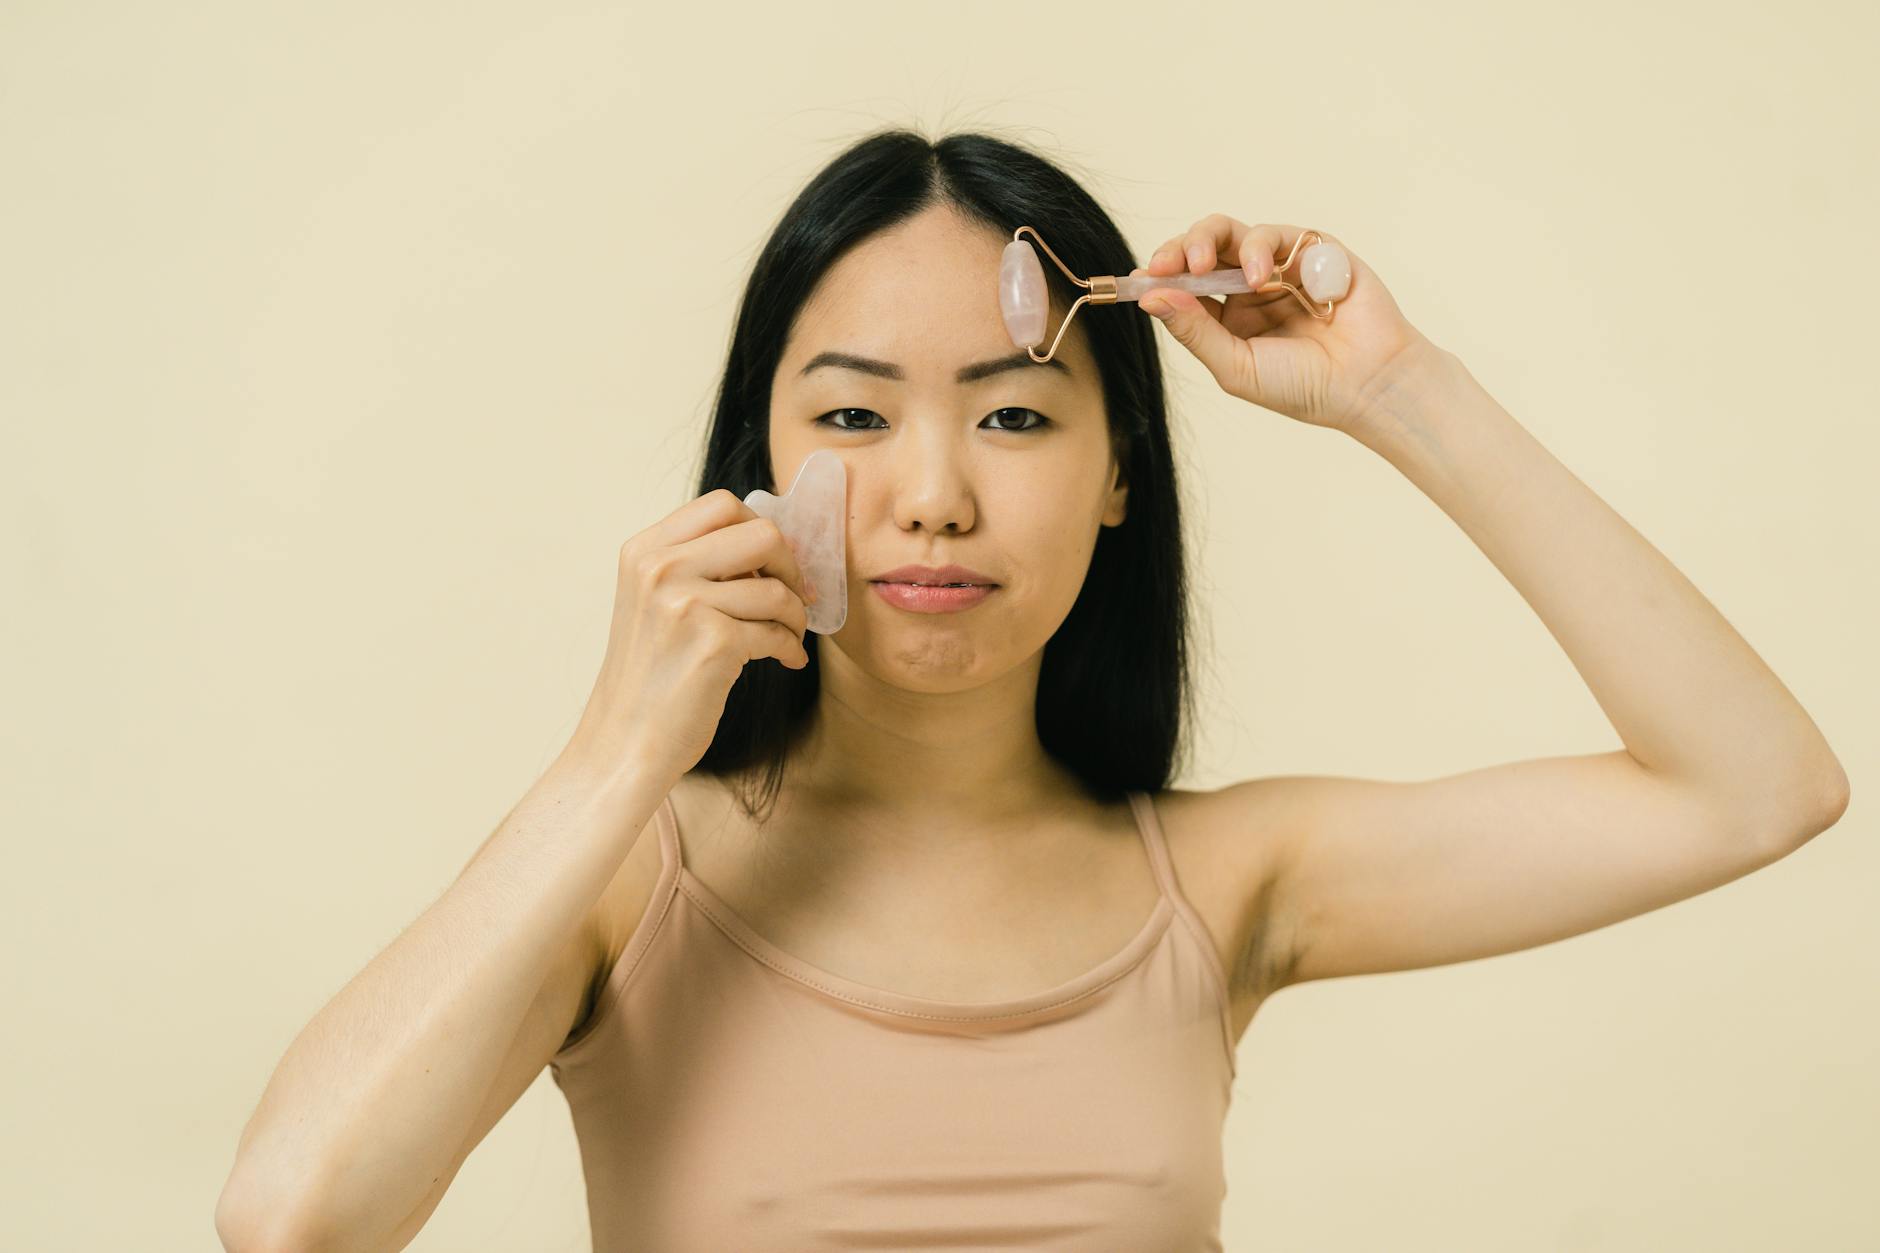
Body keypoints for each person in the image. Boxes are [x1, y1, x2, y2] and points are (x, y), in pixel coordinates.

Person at [216, 127, 1849, 1252]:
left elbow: (1756, 786)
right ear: (760, 469)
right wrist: (616, 750)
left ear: (1119, 471)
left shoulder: (1225, 884)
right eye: (853, 419)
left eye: (1013, 415)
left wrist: (1398, 391)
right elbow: (292, 1214)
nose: (932, 492)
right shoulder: (629, 878)